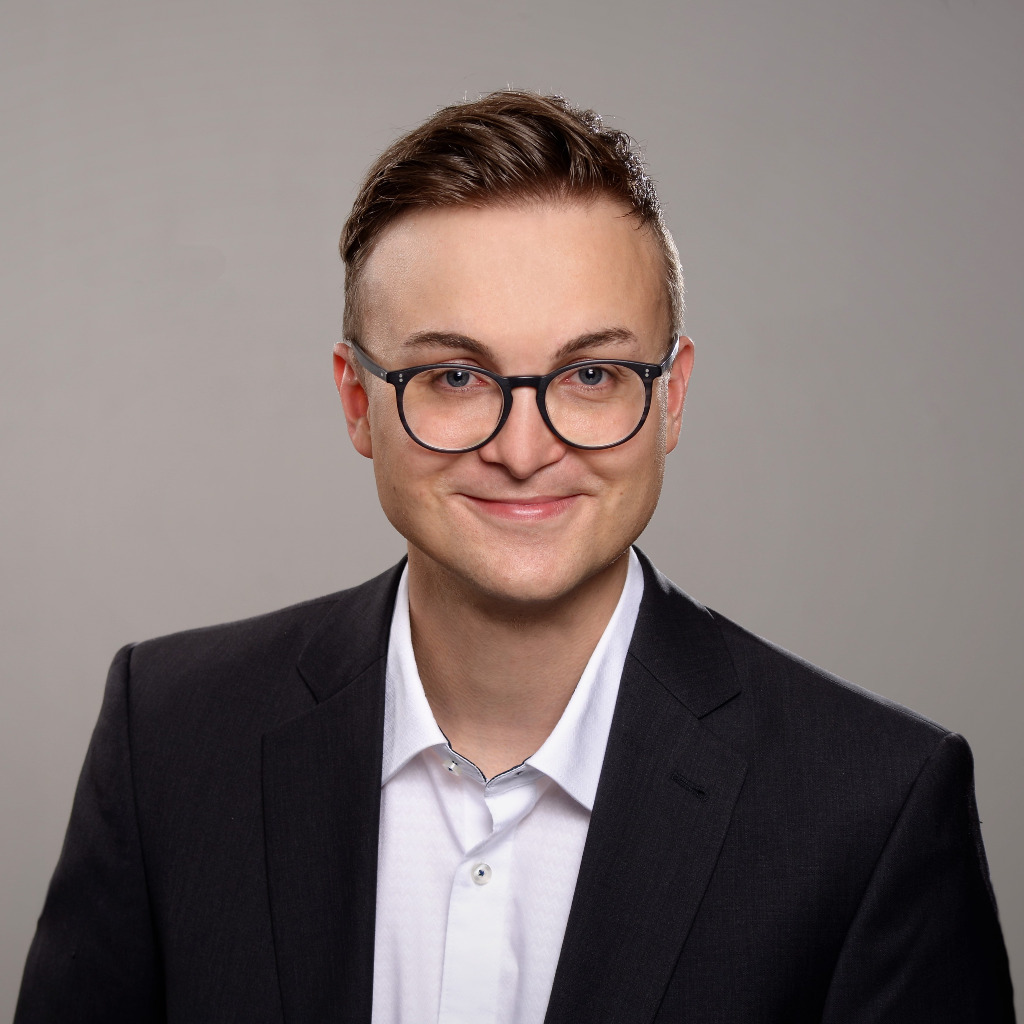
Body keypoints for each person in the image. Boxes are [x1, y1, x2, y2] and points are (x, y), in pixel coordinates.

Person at [15, 90, 1014, 1024]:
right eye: (455, 375)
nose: (524, 448)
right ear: (358, 402)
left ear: (670, 399)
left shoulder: (873, 806)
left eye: (592, 374)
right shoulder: (168, 739)